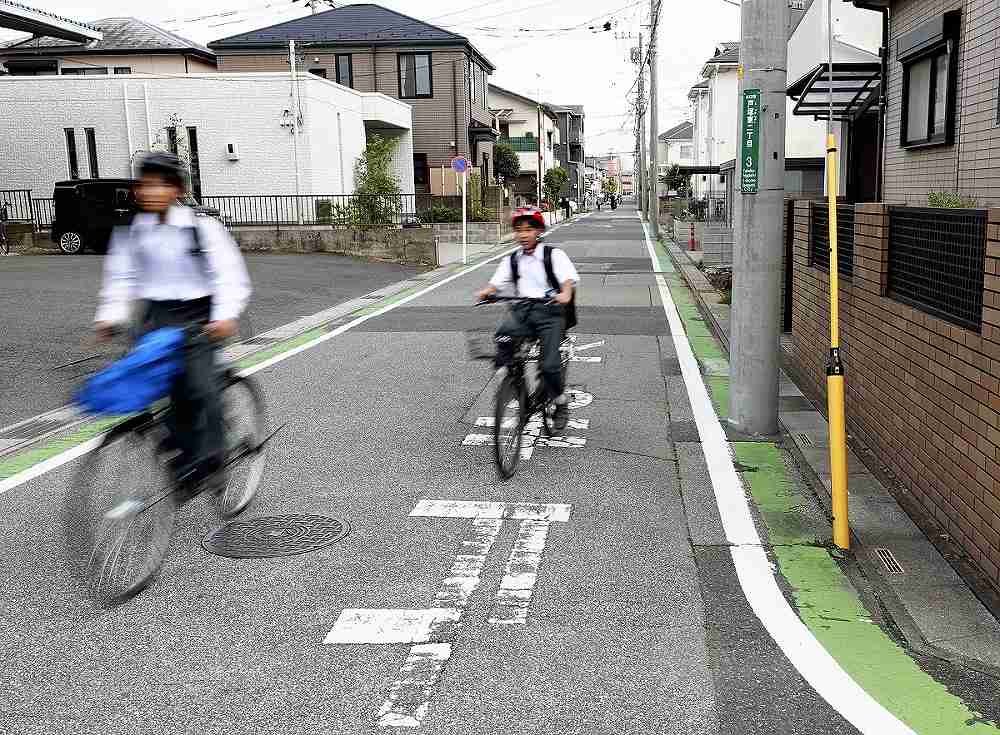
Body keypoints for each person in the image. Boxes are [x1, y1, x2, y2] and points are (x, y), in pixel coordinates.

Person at [94, 152, 252, 495]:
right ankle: (184, 459)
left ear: (176, 189)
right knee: (156, 391)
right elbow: (121, 278)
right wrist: (109, 316)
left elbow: (229, 275)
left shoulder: (202, 228)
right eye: (144, 184)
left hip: (199, 316)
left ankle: (213, 459)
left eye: (158, 184)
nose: (149, 191)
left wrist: (225, 315)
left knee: (199, 387)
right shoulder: (133, 232)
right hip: (155, 318)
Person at [477, 207, 579, 431]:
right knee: (502, 337)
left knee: (550, 365)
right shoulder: (512, 259)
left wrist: (565, 294)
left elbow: (567, 281)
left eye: (528, 229)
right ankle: (513, 382)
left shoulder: (554, 255)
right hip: (523, 312)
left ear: (539, 231)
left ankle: (560, 402)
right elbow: (497, 282)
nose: (523, 234)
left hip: (550, 313)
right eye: (519, 230)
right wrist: (488, 291)